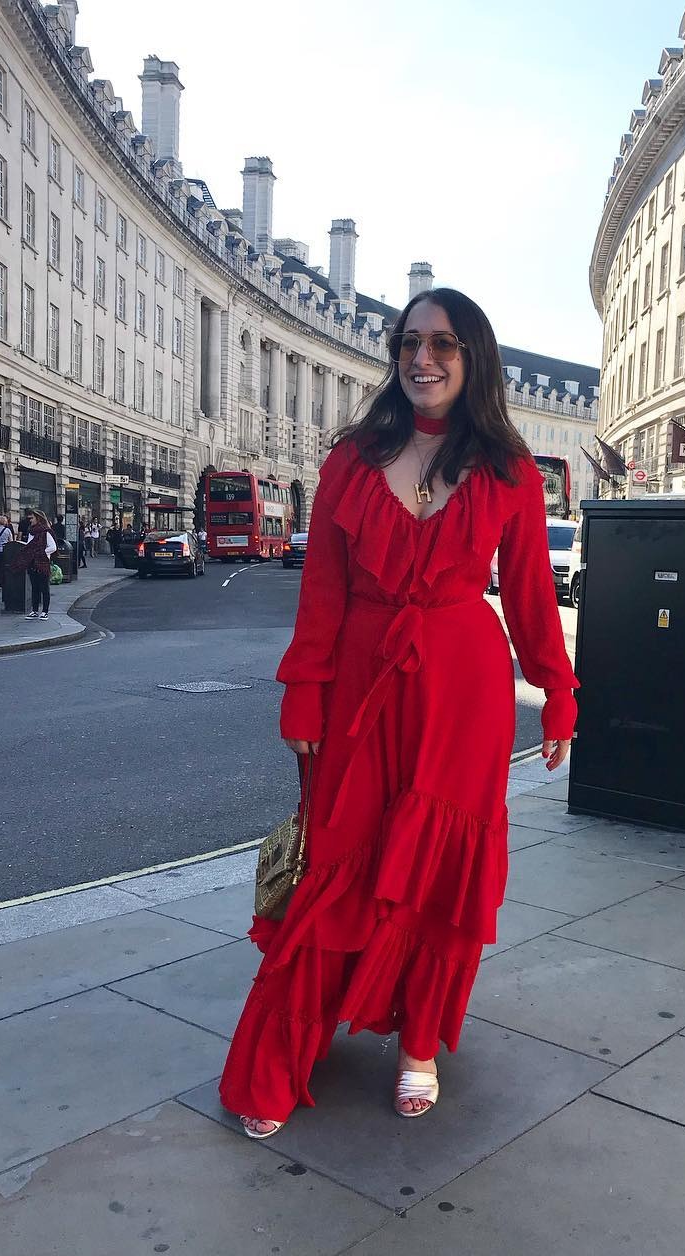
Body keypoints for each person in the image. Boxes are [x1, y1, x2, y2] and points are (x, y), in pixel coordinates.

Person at [218, 288, 579, 1139]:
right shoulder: (351, 459)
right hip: (359, 686)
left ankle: (420, 1043)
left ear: (473, 357)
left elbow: (530, 598)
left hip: (465, 692)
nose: (423, 359)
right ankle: (284, 1056)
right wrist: (303, 691)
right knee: (338, 859)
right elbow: (322, 593)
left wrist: (558, 695)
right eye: (410, 342)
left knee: (440, 876)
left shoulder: (511, 470)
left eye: (443, 344)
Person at [9, 508, 56, 619]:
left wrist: (41, 553)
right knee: (34, 587)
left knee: (44, 588)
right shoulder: (32, 531)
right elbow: (30, 545)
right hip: (32, 563)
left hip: (43, 563)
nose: (30, 520)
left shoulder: (46, 532)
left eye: (32, 518)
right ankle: (34, 610)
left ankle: (45, 611)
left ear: (38, 518)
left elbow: (53, 547)